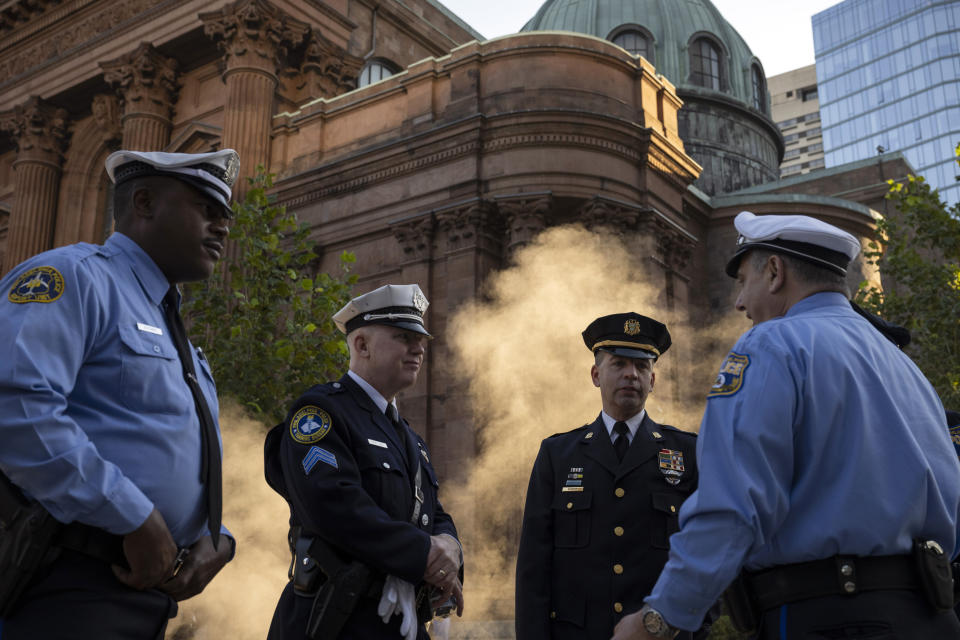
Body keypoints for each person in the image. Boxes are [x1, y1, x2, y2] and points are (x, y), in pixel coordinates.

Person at [612, 211, 960, 639]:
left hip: (824, 619)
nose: (739, 302)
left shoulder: (773, 344)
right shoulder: (904, 365)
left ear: (775, 271)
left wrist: (660, 619)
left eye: (742, 281)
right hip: (930, 618)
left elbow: (734, 505)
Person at [0, 149, 240, 638]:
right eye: (207, 210)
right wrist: (132, 516)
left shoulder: (178, 335)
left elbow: (168, 453)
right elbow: (15, 404)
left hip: (147, 594)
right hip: (68, 580)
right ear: (145, 203)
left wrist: (217, 537)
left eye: (225, 216)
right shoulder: (75, 277)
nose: (222, 228)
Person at [264, 283, 463, 640]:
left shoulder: (410, 439)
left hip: (402, 623)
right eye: (404, 337)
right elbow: (334, 505)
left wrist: (450, 548)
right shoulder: (321, 412)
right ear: (361, 345)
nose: (419, 348)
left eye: (420, 340)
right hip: (336, 620)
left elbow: (434, 514)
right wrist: (424, 554)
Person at [515, 313, 707, 640]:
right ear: (595, 374)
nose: (631, 374)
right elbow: (534, 569)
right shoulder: (558, 454)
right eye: (618, 364)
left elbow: (705, 554)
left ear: (653, 380)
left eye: (642, 366)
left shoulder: (687, 452)